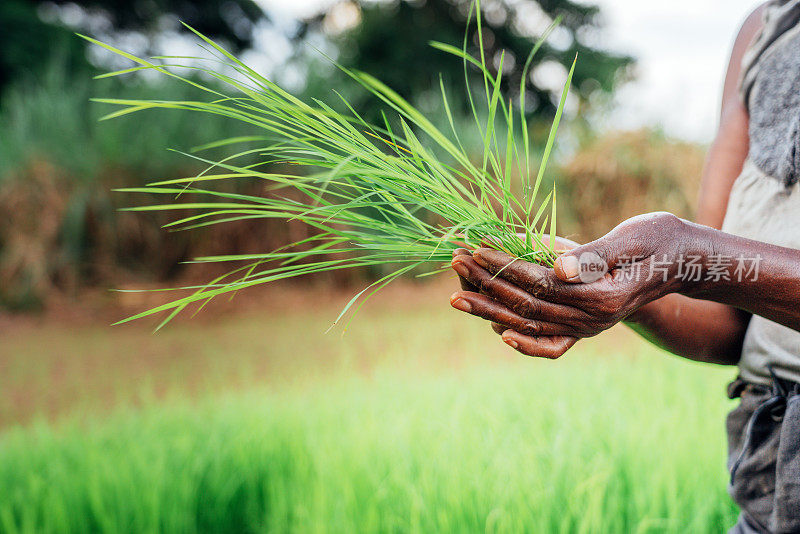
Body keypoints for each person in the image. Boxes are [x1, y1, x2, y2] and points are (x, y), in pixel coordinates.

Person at [448, 2, 800, 532]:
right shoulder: (765, 31)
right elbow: (733, 321)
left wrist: (691, 255)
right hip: (768, 468)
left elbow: (704, 263)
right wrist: (612, 289)